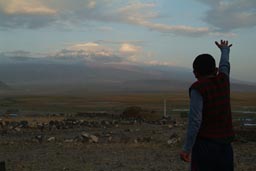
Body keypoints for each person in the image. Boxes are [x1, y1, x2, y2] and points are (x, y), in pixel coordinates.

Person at [180, 40, 235, 171]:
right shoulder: (223, 81)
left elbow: (195, 121)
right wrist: (225, 50)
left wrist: (186, 149)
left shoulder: (198, 88)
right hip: (226, 146)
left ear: (195, 73)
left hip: (205, 145)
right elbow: (225, 66)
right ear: (215, 70)